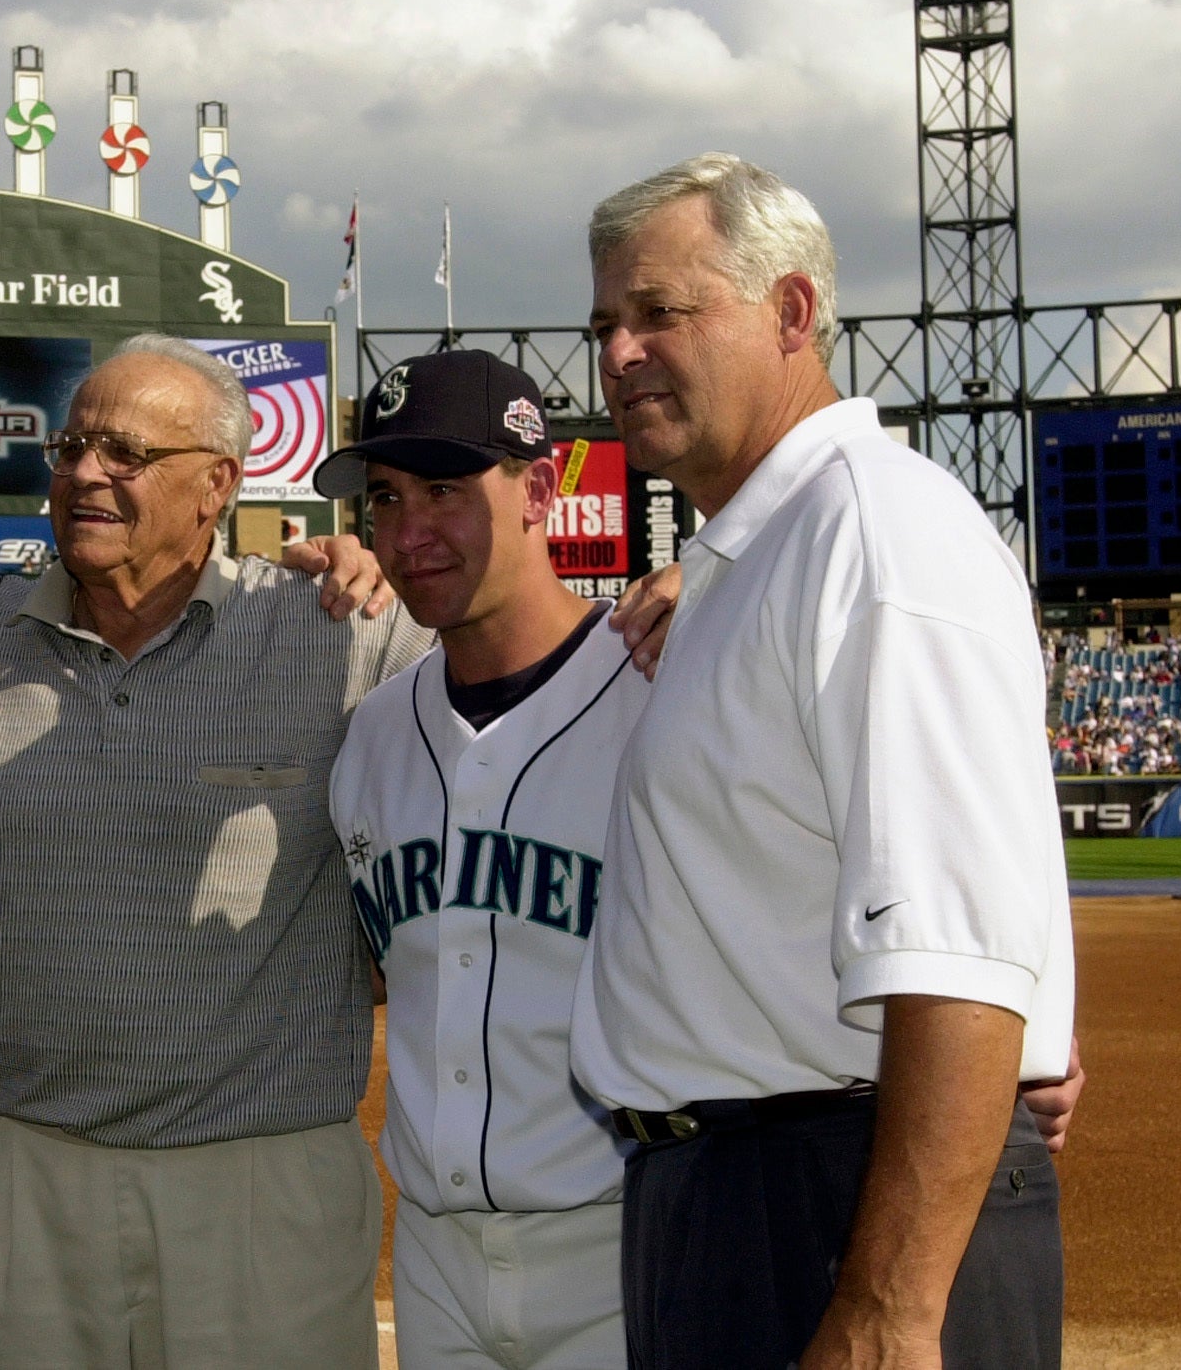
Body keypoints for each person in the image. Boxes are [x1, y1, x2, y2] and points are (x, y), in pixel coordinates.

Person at [569, 153, 1080, 1369]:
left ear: (790, 313)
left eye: (659, 313)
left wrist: (887, 1312)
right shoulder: (766, 552)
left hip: (831, 1203)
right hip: (743, 1187)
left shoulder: (876, 528)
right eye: (605, 324)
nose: (619, 353)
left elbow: (955, 950)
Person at [0, 334, 437, 1369]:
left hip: (260, 1182)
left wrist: (671, 612)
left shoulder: (340, 629)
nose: (85, 473)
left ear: (217, 485)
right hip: (23, 1172)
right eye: (70, 448)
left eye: (125, 454)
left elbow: (519, 699)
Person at [319, 348, 656, 1368]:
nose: (407, 530)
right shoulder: (371, 736)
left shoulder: (660, 691)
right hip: (429, 1254)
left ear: (538, 491)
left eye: (443, 490)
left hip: (622, 1237)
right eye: (382, 497)